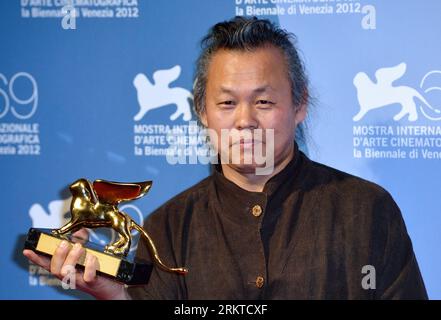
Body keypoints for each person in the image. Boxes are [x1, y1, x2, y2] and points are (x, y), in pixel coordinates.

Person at [23, 16, 427, 299]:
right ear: (202, 111)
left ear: (300, 104)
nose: (245, 120)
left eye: (264, 101)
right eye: (228, 102)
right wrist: (114, 298)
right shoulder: (168, 229)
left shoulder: (367, 210)